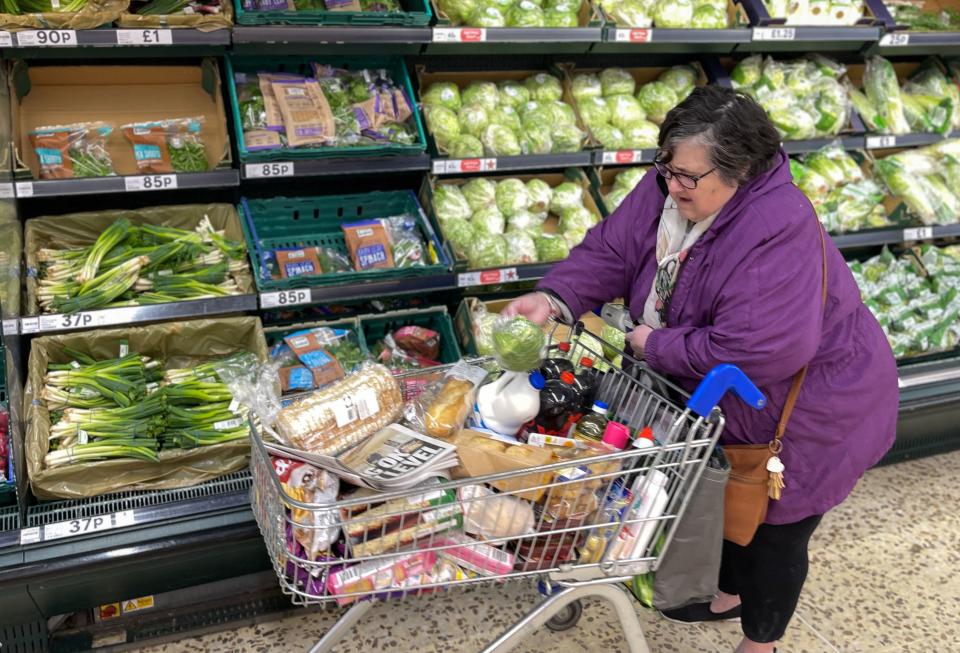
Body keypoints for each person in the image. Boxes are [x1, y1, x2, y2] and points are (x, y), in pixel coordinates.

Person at [504, 85, 898, 653]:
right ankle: (727, 588)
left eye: (687, 176)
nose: (672, 185)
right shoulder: (676, 186)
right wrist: (556, 298)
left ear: (738, 171)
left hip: (809, 411)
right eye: (666, 167)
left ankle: (760, 639)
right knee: (724, 513)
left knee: (772, 534)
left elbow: (760, 349)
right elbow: (612, 251)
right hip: (723, 400)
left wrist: (652, 343)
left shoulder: (777, 225)